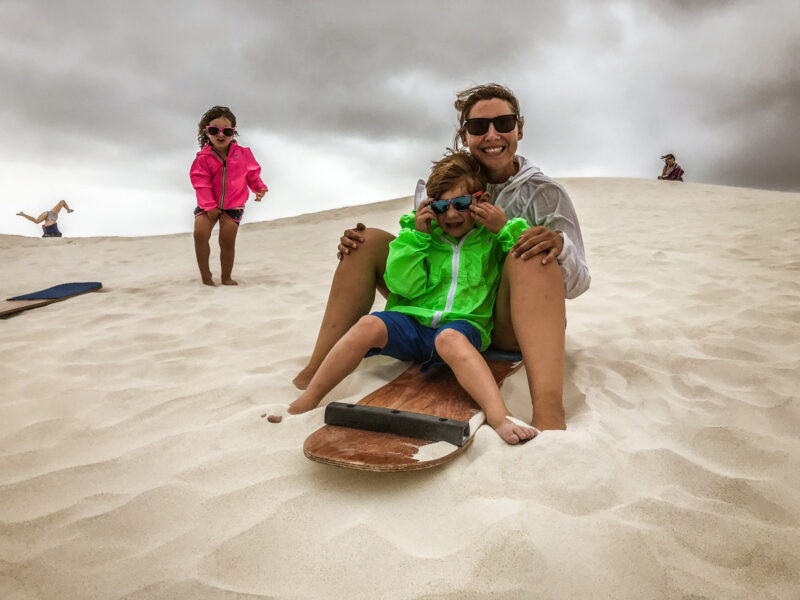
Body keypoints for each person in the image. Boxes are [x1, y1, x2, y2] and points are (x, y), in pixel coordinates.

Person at [293, 83, 590, 432]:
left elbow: (578, 283)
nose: (492, 134)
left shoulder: (544, 193)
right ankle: (316, 370)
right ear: (465, 135)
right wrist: (408, 238)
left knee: (530, 249)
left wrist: (557, 244)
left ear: (519, 129)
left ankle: (548, 411)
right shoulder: (445, 183)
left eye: (504, 123)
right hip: (437, 310)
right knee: (367, 241)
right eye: (479, 127)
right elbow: (428, 259)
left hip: (502, 320)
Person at [283, 151, 537, 444]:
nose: (452, 214)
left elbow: (521, 267)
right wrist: (417, 238)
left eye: (462, 203)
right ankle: (310, 397)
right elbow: (403, 286)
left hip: (464, 328)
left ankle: (498, 415)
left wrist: (503, 227)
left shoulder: (491, 236)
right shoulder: (418, 234)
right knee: (368, 324)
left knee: (449, 339)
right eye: (441, 206)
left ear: (481, 201)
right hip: (414, 324)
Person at [190, 105, 268, 286]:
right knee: (200, 235)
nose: (220, 134)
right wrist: (210, 207)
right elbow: (200, 182)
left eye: (226, 131)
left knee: (227, 241)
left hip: (233, 206)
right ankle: (206, 277)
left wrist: (259, 188)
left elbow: (252, 174)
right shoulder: (203, 158)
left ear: (233, 132)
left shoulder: (244, 154)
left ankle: (226, 277)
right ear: (206, 132)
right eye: (214, 130)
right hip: (207, 205)